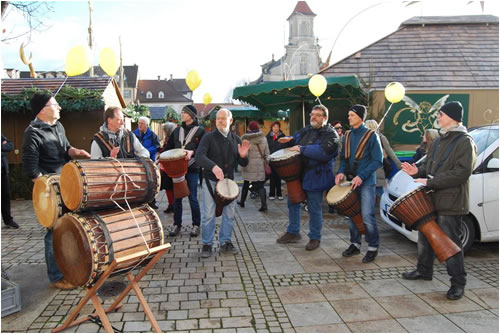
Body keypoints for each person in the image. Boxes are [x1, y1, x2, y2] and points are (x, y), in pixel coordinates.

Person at [401, 101, 476, 300]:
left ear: (451, 116)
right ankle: (424, 270)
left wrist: (431, 181)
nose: (438, 117)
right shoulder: (440, 140)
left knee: (450, 243)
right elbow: (430, 166)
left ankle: (458, 283)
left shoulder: (465, 142)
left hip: (451, 202)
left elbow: (462, 173)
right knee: (425, 237)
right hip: (432, 198)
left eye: (441, 114)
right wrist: (417, 171)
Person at [23, 92, 91, 290]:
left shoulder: (58, 126)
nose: (60, 107)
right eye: (55, 104)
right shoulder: (32, 133)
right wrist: (50, 190)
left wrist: (75, 152)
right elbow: (31, 170)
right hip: (50, 192)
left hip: (67, 186)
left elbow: (66, 148)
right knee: (53, 232)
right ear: (43, 110)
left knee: (69, 228)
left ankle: (71, 267)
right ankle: (56, 277)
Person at [276, 105, 339, 251]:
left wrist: (302, 149)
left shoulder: (331, 134)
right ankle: (293, 232)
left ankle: (315, 237)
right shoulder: (307, 130)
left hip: (317, 175)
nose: (313, 117)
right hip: (301, 174)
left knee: (314, 208)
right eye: (312, 114)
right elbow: (296, 138)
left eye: (317, 115)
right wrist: (290, 140)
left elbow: (324, 153)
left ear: (325, 118)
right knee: (292, 201)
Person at [195, 108, 250, 258]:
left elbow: (243, 163)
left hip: (229, 182)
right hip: (210, 181)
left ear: (230, 121)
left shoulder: (236, 139)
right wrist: (213, 167)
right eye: (218, 118)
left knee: (230, 214)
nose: (219, 121)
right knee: (208, 215)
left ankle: (225, 242)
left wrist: (244, 157)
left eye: (223, 118)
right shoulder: (208, 137)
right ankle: (207, 244)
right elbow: (199, 156)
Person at [336, 105, 383, 263]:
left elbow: (378, 160)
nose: (349, 117)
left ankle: (372, 247)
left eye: (352, 115)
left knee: (368, 216)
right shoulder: (347, 135)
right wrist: (341, 171)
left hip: (367, 182)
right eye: (348, 115)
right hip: (351, 181)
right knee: (352, 214)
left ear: (360, 118)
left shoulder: (371, 136)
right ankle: (355, 244)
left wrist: (361, 176)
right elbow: (343, 158)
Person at [165, 105, 205, 237]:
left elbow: (203, 150)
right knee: (177, 198)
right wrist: (162, 157)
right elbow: (168, 147)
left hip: (192, 168)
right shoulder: (177, 131)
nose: (181, 114)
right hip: (177, 170)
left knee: (192, 197)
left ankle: (196, 225)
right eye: (181, 112)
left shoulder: (200, 131)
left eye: (184, 112)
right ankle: (177, 224)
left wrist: (192, 152)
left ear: (192, 115)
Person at [237, 121, 270, 211]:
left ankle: (242, 202)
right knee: (261, 186)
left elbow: (243, 154)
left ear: (249, 128)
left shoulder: (245, 139)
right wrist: (267, 162)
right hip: (260, 166)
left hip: (248, 165)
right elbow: (267, 153)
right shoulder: (263, 138)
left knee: (246, 184)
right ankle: (264, 205)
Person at [365, 119, 401, 197]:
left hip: (366, 171)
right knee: (380, 194)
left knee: (368, 195)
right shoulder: (381, 138)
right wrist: (400, 165)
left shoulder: (363, 139)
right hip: (378, 171)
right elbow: (391, 153)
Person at [134, 116, 161, 209]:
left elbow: (157, 146)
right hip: (137, 161)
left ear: (146, 125)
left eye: (142, 123)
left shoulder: (152, 135)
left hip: (149, 161)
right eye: (139, 123)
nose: (139, 125)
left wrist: (146, 151)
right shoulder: (134, 134)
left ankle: (152, 201)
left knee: (151, 181)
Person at [158, 122, 177, 214]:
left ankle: (173, 205)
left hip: (170, 166)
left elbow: (168, 152)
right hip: (167, 167)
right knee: (168, 187)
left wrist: (161, 151)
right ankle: (171, 204)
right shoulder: (168, 139)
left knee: (170, 187)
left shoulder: (171, 140)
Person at [2, 134, 18, 229]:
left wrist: (2, 146)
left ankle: (8, 220)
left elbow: (10, 145)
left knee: (5, 196)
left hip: (2, 172)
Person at [266, 121, 285, 200]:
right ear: (272, 128)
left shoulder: (283, 136)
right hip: (271, 159)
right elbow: (266, 148)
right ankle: (271, 193)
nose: (276, 128)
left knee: (279, 177)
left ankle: (279, 193)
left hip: (280, 160)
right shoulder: (268, 137)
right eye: (274, 127)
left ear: (279, 128)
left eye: (277, 127)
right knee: (272, 177)